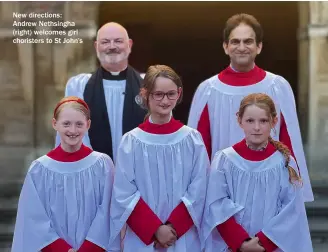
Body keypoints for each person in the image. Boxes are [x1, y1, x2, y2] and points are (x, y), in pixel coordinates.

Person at [187, 13, 313, 202]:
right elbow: (199, 148)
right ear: (225, 47)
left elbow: (289, 141)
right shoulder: (208, 90)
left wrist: (295, 193)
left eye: (248, 41)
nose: (242, 47)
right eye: (235, 41)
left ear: (259, 46)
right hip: (223, 193)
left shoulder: (278, 87)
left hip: (270, 189)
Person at [109, 65, 209, 251]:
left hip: (182, 237)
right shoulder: (131, 141)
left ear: (179, 93)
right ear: (145, 94)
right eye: (158, 94)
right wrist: (154, 229)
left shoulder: (192, 139)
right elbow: (124, 192)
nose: (165, 100)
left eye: (171, 94)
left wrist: (173, 228)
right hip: (144, 239)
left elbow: (199, 188)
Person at [202, 93, 313, 252]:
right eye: (250, 120)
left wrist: (262, 243)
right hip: (233, 246)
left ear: (274, 121)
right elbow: (216, 204)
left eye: (263, 121)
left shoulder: (285, 162)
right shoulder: (225, 160)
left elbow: (291, 211)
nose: (256, 127)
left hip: (272, 247)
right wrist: (241, 242)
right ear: (239, 120)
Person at [12, 96, 120, 252]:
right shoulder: (40, 169)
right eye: (66, 124)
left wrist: (89, 248)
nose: (73, 130)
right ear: (55, 124)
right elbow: (33, 217)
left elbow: (107, 212)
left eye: (79, 124)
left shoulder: (102, 165)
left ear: (88, 125)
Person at [56, 22, 146, 163]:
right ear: (96, 46)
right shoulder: (79, 85)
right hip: (92, 172)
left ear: (129, 44)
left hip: (139, 171)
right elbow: (67, 133)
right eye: (105, 42)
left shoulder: (149, 84)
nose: (112, 46)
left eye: (118, 41)